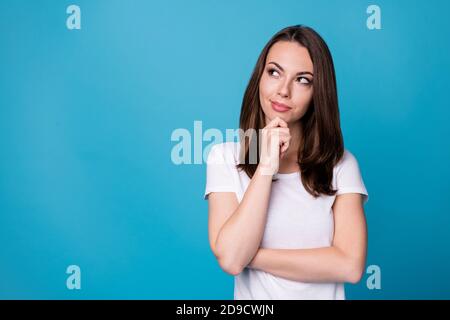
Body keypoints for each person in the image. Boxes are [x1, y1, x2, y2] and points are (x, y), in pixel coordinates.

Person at [204, 25, 369, 300]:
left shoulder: (341, 164)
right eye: (274, 72)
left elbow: (350, 266)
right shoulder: (224, 158)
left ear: (319, 92)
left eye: (302, 80)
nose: (283, 90)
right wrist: (266, 166)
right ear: (259, 77)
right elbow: (232, 260)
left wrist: (251, 256)